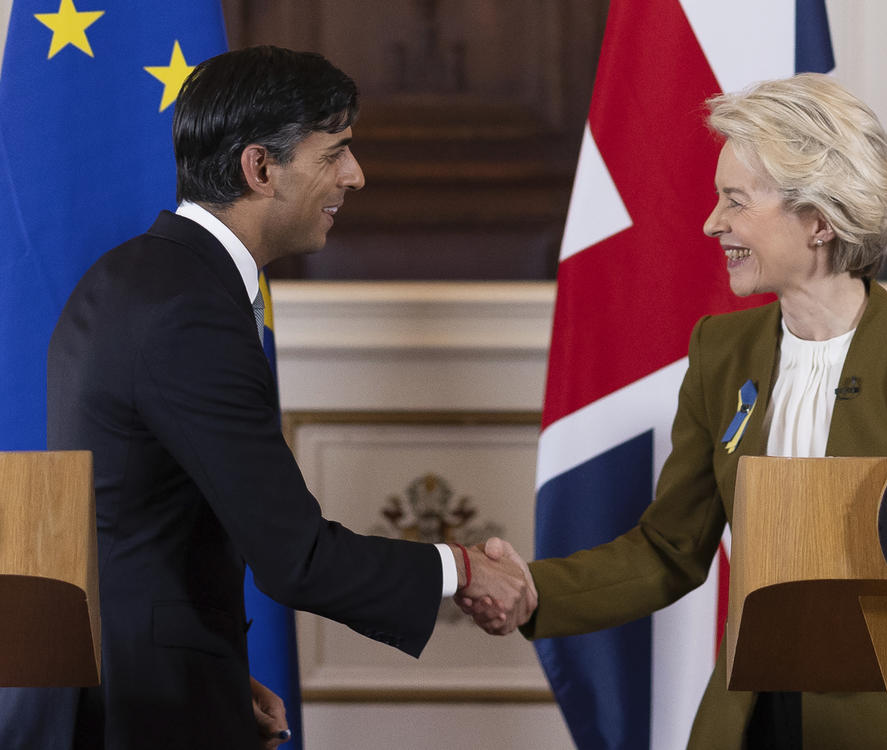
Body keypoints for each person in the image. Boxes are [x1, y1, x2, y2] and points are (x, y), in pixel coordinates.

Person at [5, 45, 535, 750]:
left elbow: (136, 520)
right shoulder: (188, 308)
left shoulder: (133, 276)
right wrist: (461, 566)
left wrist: (212, 675)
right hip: (143, 712)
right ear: (259, 168)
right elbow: (297, 558)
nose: (356, 175)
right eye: (336, 151)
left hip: (126, 684)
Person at [463, 73, 887, 749]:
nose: (713, 223)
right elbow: (670, 549)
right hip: (747, 723)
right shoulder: (721, 352)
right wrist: (533, 590)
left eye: (736, 201)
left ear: (819, 220)